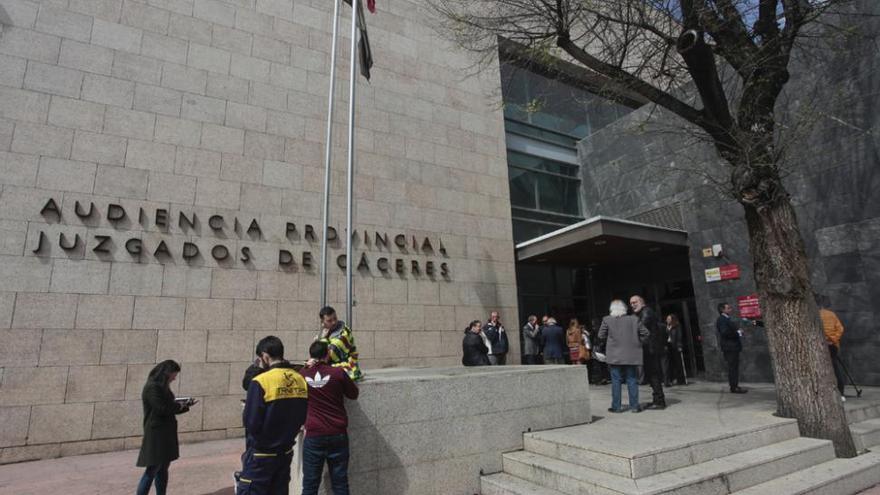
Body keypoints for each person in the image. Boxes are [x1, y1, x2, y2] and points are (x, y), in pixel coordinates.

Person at [237, 336, 308, 495]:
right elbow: (302, 416)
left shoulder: (260, 381)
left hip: (261, 455)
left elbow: (251, 422)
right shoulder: (300, 379)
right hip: (286, 451)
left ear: (265, 356)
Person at [300, 340, 359, 495]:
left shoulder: (302, 375)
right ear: (328, 354)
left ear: (310, 356)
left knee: (310, 485)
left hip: (314, 435)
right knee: (340, 483)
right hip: (337, 434)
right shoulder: (338, 373)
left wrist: (305, 367)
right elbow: (353, 394)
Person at [136, 360, 195, 495]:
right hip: (156, 433)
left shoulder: (163, 387)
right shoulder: (152, 387)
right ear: (167, 373)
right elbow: (162, 408)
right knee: (152, 470)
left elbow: (169, 407)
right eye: (174, 374)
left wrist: (185, 406)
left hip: (166, 432)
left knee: (163, 469)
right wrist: (178, 406)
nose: (174, 378)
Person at [598, 300, 649, 413]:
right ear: (624, 309)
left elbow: (600, 335)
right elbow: (645, 333)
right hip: (631, 355)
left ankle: (616, 407)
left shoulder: (607, 319)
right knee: (632, 380)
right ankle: (634, 407)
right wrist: (637, 343)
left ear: (612, 309)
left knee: (616, 381)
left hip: (614, 356)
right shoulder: (634, 319)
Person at [630, 295, 667, 409]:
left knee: (654, 374)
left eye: (635, 302)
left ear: (642, 302)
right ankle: (656, 399)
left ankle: (660, 401)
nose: (633, 305)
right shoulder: (639, 314)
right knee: (651, 375)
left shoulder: (647, 312)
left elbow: (640, 327)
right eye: (631, 303)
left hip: (651, 349)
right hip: (646, 349)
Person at [316, 306, 363, 381]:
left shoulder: (343, 332)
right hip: (332, 365)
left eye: (335, 318)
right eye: (329, 320)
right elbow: (316, 352)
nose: (334, 322)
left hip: (348, 366)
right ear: (322, 322)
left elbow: (328, 355)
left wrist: (322, 339)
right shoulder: (326, 332)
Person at [817, 294, 846, 401]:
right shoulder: (832, 314)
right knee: (835, 368)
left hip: (820, 346)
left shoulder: (814, 315)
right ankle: (841, 393)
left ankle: (823, 393)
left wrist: (825, 340)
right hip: (833, 345)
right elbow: (840, 329)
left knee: (820, 369)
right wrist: (833, 339)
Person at [716, 302, 748, 394]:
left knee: (733, 367)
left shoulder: (726, 319)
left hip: (732, 346)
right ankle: (734, 387)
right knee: (732, 367)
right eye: (728, 308)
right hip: (730, 347)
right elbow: (725, 332)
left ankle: (734, 386)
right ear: (722, 310)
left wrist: (738, 331)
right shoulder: (722, 319)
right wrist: (737, 333)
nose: (730, 309)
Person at [664, 314, 685, 386]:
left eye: (669, 319)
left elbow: (679, 336)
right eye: (667, 319)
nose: (667, 320)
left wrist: (679, 345)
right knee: (670, 363)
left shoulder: (677, 326)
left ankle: (681, 379)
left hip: (675, 345)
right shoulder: (666, 327)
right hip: (668, 346)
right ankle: (673, 378)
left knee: (678, 363)